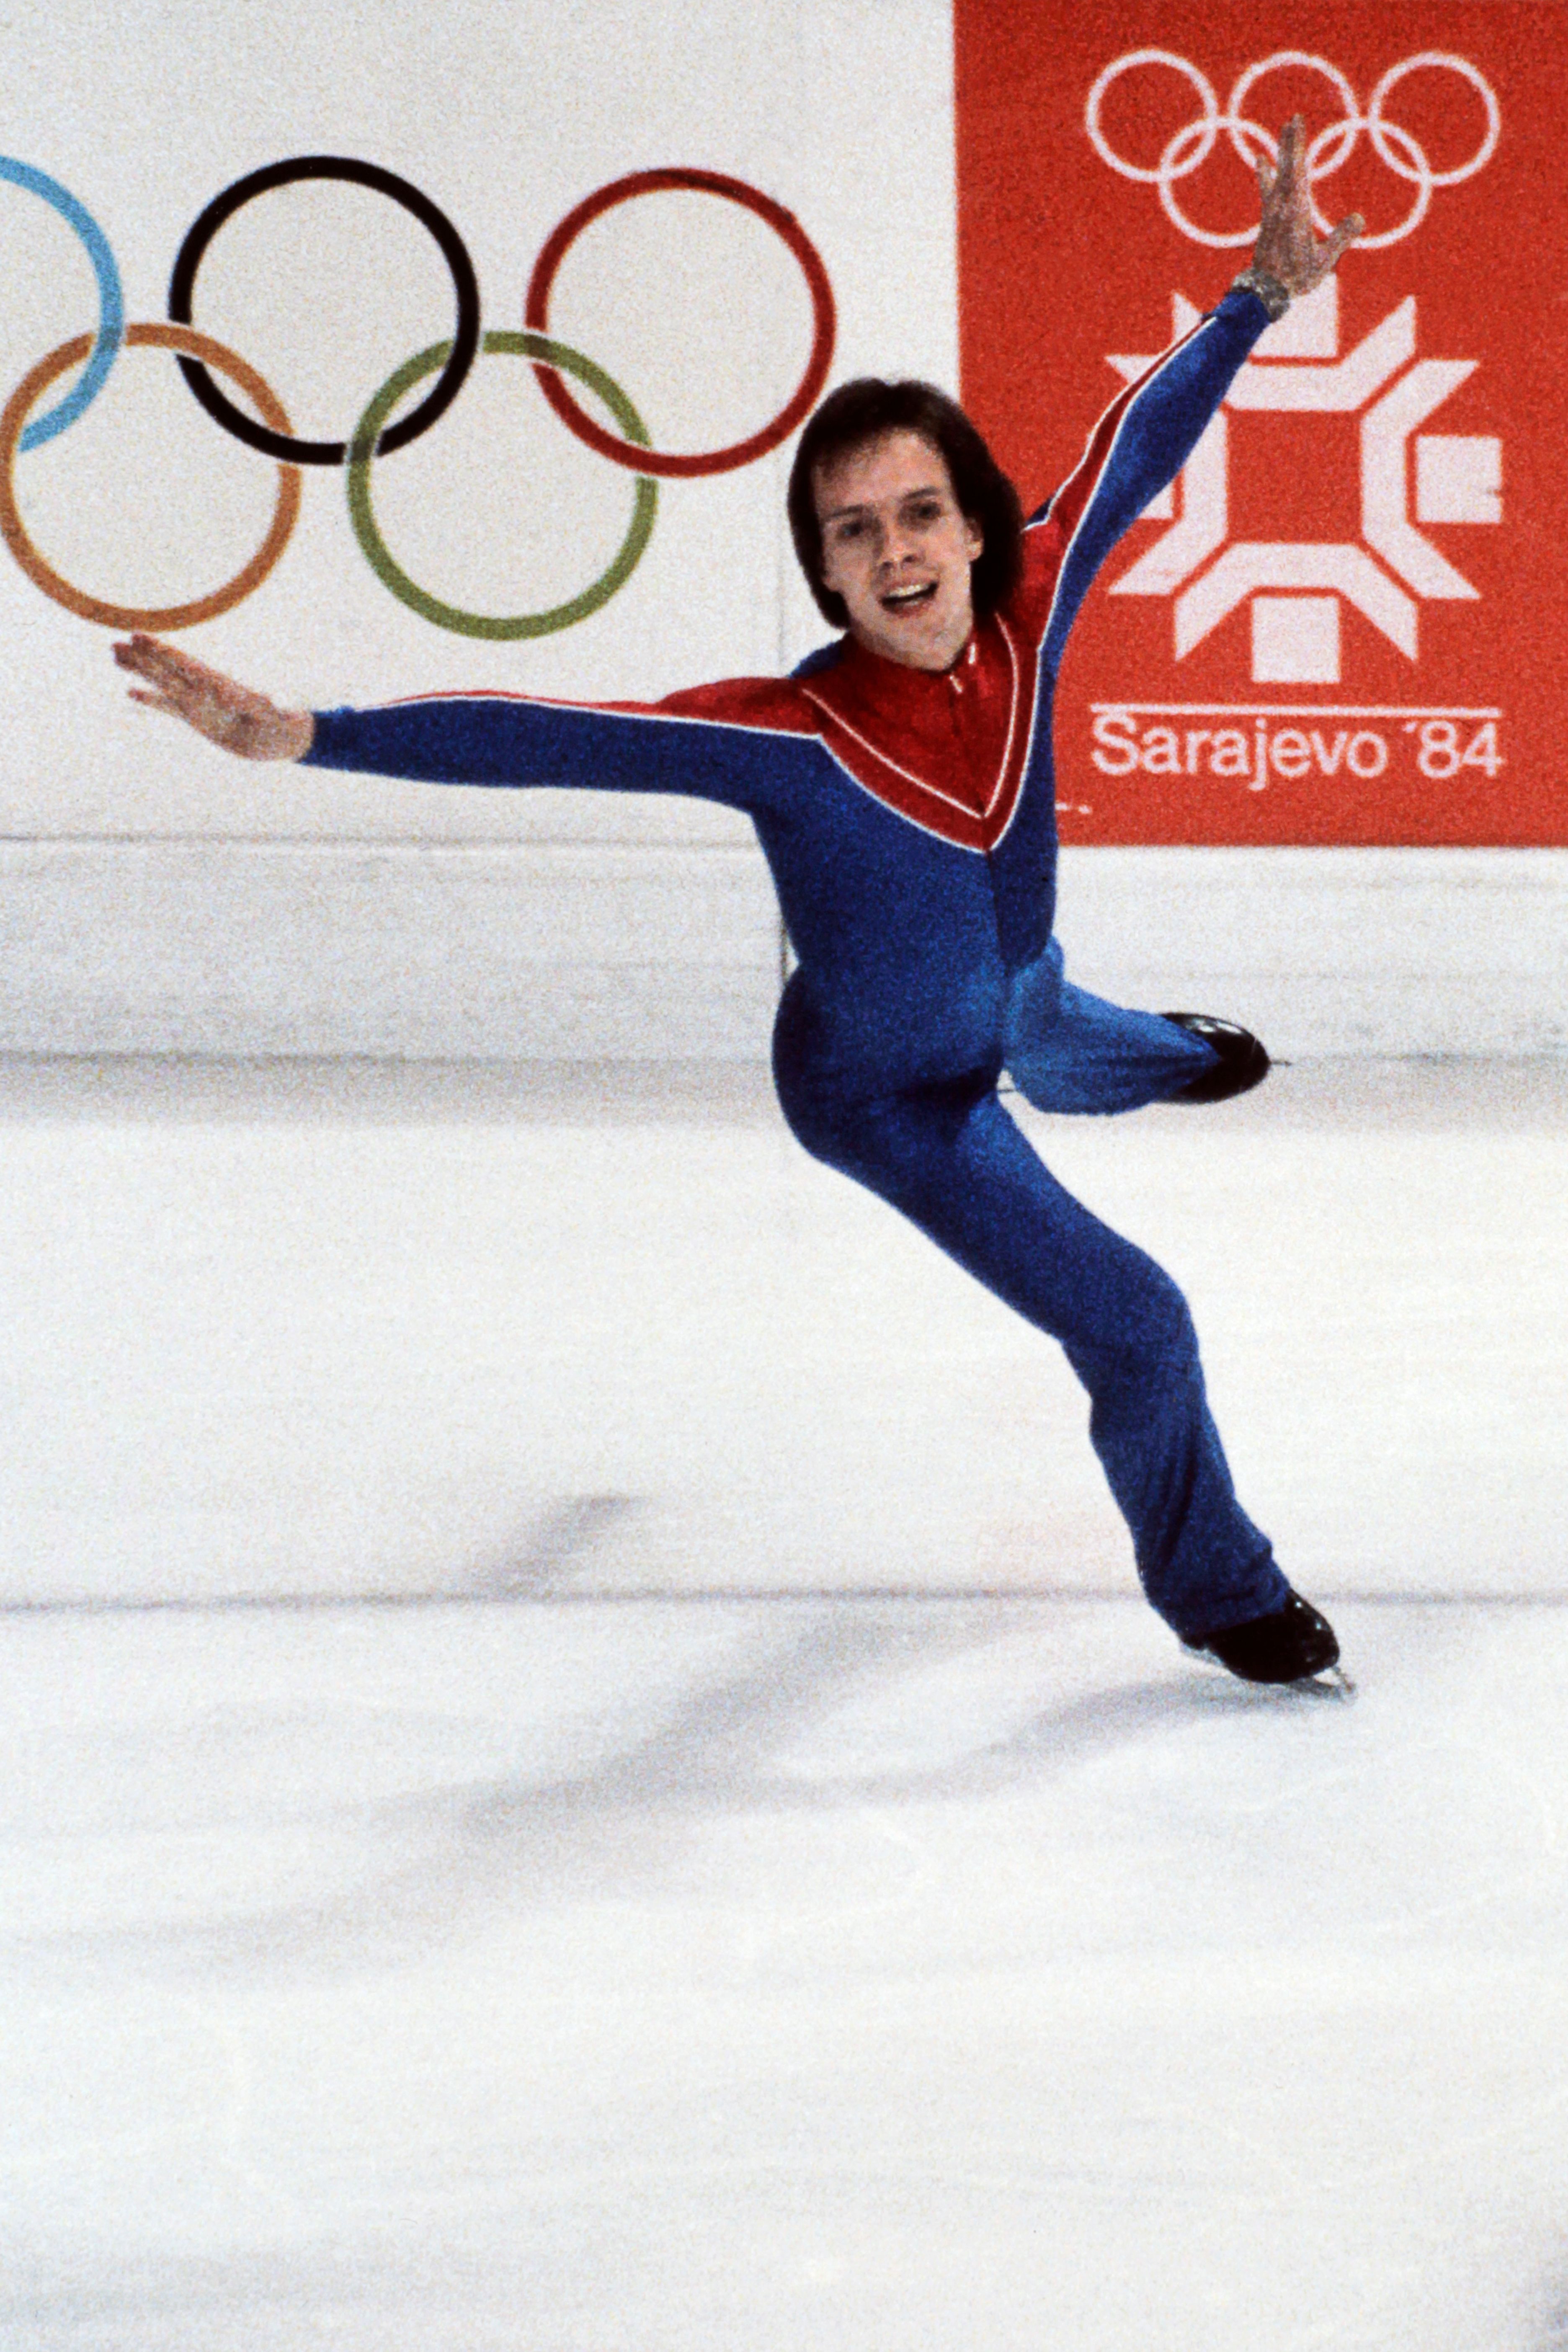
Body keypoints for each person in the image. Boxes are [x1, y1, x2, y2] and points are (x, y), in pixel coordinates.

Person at [113, 119, 1360, 1685]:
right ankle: (1225, 1592)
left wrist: (1255, 297)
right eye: (854, 533)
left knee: (1048, 1022)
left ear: (975, 523)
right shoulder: (788, 736)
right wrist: (312, 736)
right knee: (1141, 1318)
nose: (896, 551)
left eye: (918, 513)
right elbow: (549, 738)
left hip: (1021, 983)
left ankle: (1151, 1055)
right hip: (885, 1090)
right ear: (827, 579)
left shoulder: (1034, 601)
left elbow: (1135, 441)